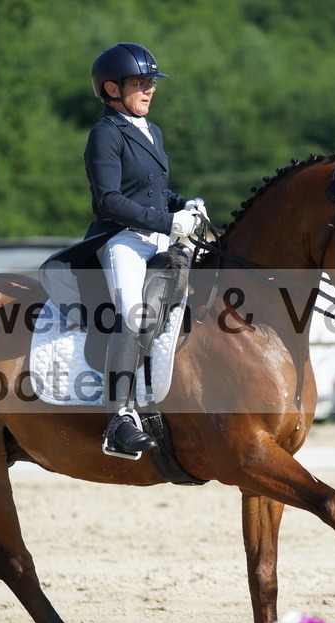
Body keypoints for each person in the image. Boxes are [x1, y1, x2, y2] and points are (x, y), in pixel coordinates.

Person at [85, 42, 206, 456]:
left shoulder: (151, 131)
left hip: (156, 237)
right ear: (112, 89)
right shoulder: (104, 134)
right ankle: (117, 419)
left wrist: (183, 204)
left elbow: (155, 192)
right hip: (120, 241)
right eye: (140, 83)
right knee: (133, 314)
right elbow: (110, 201)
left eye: (151, 83)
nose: (149, 90)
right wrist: (168, 222)